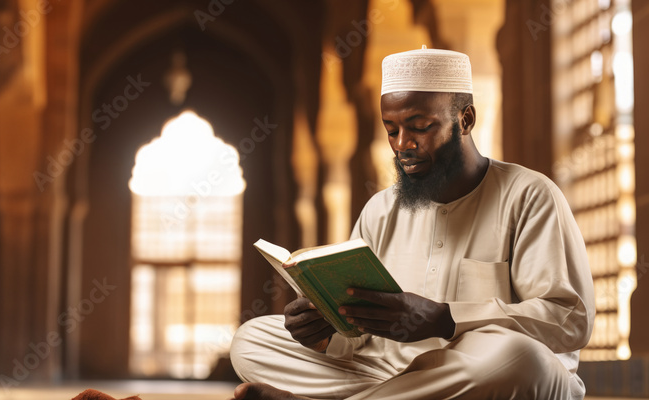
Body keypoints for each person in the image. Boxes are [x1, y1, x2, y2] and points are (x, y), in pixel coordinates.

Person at [229, 46, 595, 400]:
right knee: (251, 340)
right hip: (393, 375)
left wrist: (445, 319)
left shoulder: (529, 195)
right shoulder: (380, 209)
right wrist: (325, 327)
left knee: (523, 360)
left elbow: (569, 319)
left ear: (465, 120)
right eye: (391, 129)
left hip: (487, 374)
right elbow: (356, 338)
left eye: (419, 127)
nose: (403, 144)